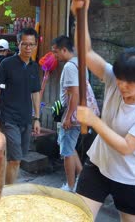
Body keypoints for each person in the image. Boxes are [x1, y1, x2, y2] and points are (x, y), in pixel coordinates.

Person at [71, 0, 135, 222]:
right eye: (120, 78)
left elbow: (126, 147)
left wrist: (94, 121)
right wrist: (80, 15)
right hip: (98, 166)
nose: (121, 85)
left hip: (130, 176)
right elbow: (86, 52)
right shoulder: (115, 78)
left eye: (130, 82)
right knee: (77, 217)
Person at [0, 28, 41, 185]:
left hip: (25, 119)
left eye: (31, 44)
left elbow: (36, 93)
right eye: (24, 44)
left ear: (35, 45)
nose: (28, 48)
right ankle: (9, 194)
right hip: (9, 118)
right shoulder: (7, 64)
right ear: (18, 44)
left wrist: (37, 118)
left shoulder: (34, 66)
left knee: (13, 158)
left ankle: (2, 185)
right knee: (16, 159)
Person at [51, 35, 86, 192]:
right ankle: (82, 180)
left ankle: (70, 187)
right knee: (71, 148)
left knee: (66, 151)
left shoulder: (70, 67)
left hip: (72, 116)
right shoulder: (80, 64)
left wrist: (67, 117)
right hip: (79, 115)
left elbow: (74, 94)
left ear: (64, 50)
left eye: (56, 52)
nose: (55, 55)